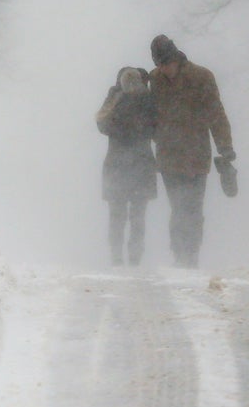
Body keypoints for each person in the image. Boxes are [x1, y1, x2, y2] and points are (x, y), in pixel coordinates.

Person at [149, 34, 235, 267]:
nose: (164, 69)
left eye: (166, 63)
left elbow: (216, 115)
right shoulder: (154, 80)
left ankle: (192, 254)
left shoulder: (201, 77)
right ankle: (179, 254)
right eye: (159, 65)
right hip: (168, 156)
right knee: (178, 206)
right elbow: (148, 114)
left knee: (193, 208)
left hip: (196, 154)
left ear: (176, 58)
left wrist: (225, 147)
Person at [96, 67, 157, 266]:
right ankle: (132, 257)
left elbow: (102, 123)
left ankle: (120, 257)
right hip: (139, 163)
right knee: (135, 214)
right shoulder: (146, 99)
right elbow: (155, 127)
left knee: (119, 214)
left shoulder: (117, 98)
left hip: (118, 163)